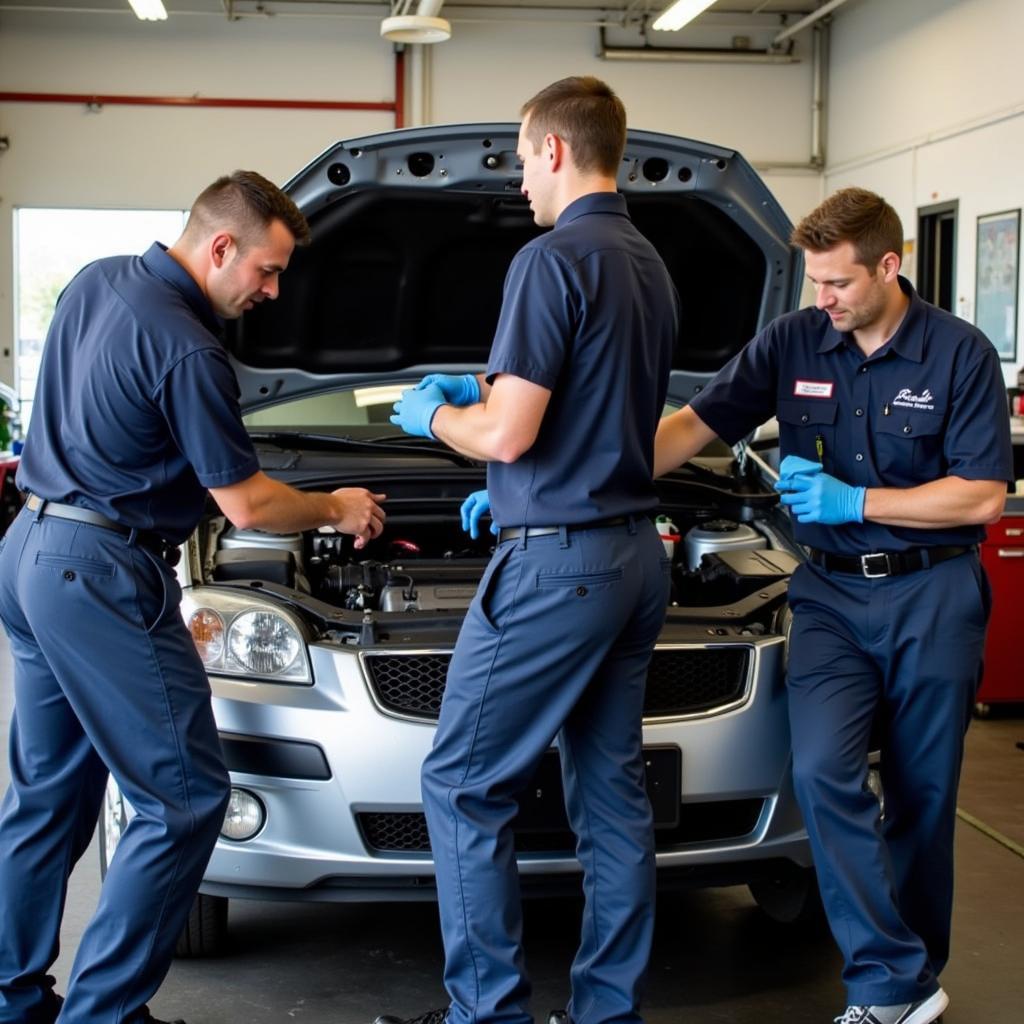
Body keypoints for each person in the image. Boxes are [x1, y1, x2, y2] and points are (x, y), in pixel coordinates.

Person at [0, 171, 386, 1024]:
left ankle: (12, 1000)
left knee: (47, 798)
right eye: (267, 271)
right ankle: (101, 1015)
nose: (272, 292)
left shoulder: (98, 279)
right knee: (184, 799)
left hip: (30, 546)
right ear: (221, 247)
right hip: (98, 574)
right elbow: (248, 506)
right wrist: (336, 505)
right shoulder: (188, 345)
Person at [654, 187, 1012, 1024]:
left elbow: (982, 497)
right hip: (829, 599)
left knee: (924, 794)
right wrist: (559, 478)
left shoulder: (959, 354)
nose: (823, 301)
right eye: (814, 283)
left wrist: (859, 503)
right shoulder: (793, 341)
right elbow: (690, 428)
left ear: (889, 266)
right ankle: (891, 975)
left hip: (934, 593)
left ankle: (906, 984)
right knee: (821, 772)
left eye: (837, 284)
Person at [384, 77, 678, 1024]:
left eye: (520, 158)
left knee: (461, 782)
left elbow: (509, 435)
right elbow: (592, 396)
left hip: (559, 566)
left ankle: (488, 1013)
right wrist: (504, 467)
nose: (517, 181)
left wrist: (441, 418)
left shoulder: (548, 261)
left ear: (554, 149)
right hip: (633, 557)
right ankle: (607, 1011)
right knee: (611, 798)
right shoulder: (647, 263)